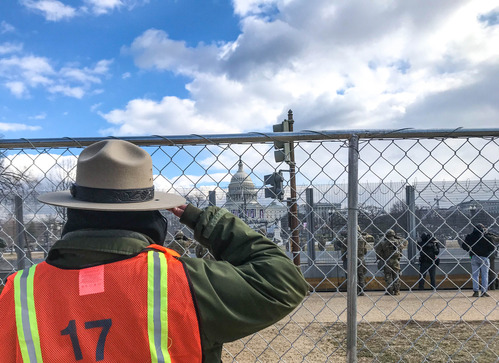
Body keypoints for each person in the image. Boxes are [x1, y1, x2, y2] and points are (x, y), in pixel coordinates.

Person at [0, 139, 308, 362]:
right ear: (151, 214)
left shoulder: (18, 293)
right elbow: (283, 281)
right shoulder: (183, 283)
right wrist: (200, 217)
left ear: (73, 211)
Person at [462, 223, 496, 297]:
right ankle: (484, 291)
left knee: (475, 275)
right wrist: (486, 251)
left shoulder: (470, 237)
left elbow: (464, 246)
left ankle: (476, 291)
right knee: (485, 275)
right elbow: (492, 247)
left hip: (474, 256)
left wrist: (470, 249)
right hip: (484, 257)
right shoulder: (487, 237)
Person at [340, 227, 374, 296]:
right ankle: (361, 290)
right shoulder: (362, 238)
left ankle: (354, 290)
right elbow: (369, 241)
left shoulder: (347, 239)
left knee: (352, 275)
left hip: (351, 259)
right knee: (361, 274)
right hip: (361, 258)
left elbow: (343, 251)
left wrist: (344, 259)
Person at [375, 229, 408, 296]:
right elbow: (406, 242)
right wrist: (397, 237)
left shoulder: (383, 243)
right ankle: (397, 290)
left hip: (386, 260)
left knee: (388, 275)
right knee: (396, 275)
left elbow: (378, 252)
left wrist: (380, 257)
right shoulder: (398, 242)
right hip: (396, 260)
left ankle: (389, 290)